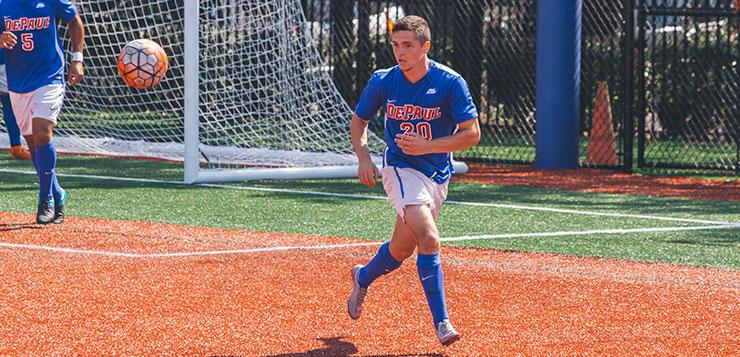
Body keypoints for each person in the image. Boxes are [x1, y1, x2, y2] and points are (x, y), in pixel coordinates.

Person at [347, 15, 480, 346]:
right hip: (400, 168)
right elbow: (358, 122)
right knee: (429, 238)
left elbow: (472, 134)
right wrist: (364, 158)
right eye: (395, 45)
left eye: (407, 45)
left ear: (425, 47)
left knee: (401, 249)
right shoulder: (383, 81)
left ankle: (362, 277)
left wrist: (429, 146)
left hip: (436, 173)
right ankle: (442, 323)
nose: (400, 51)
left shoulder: (450, 82)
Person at [0, 0, 85, 224]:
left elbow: (74, 21)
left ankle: (45, 197)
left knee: (42, 133)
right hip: (18, 82)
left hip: (50, 77)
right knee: (32, 143)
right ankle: (58, 193)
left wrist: (77, 60)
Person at [1, 50, 31, 160]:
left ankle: (16, 147)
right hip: (4, 61)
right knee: (9, 102)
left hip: (5, 61)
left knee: (9, 102)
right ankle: (16, 147)